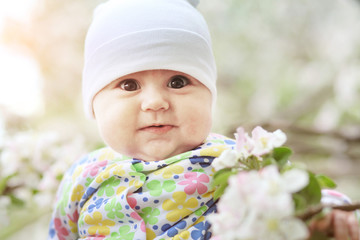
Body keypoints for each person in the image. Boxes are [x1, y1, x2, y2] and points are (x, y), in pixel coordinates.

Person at [48, 0, 359, 239]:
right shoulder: (83, 176)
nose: (155, 101)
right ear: (94, 103)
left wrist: (331, 212)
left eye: (178, 82)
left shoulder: (233, 161)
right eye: (129, 85)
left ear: (209, 95)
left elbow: (304, 189)